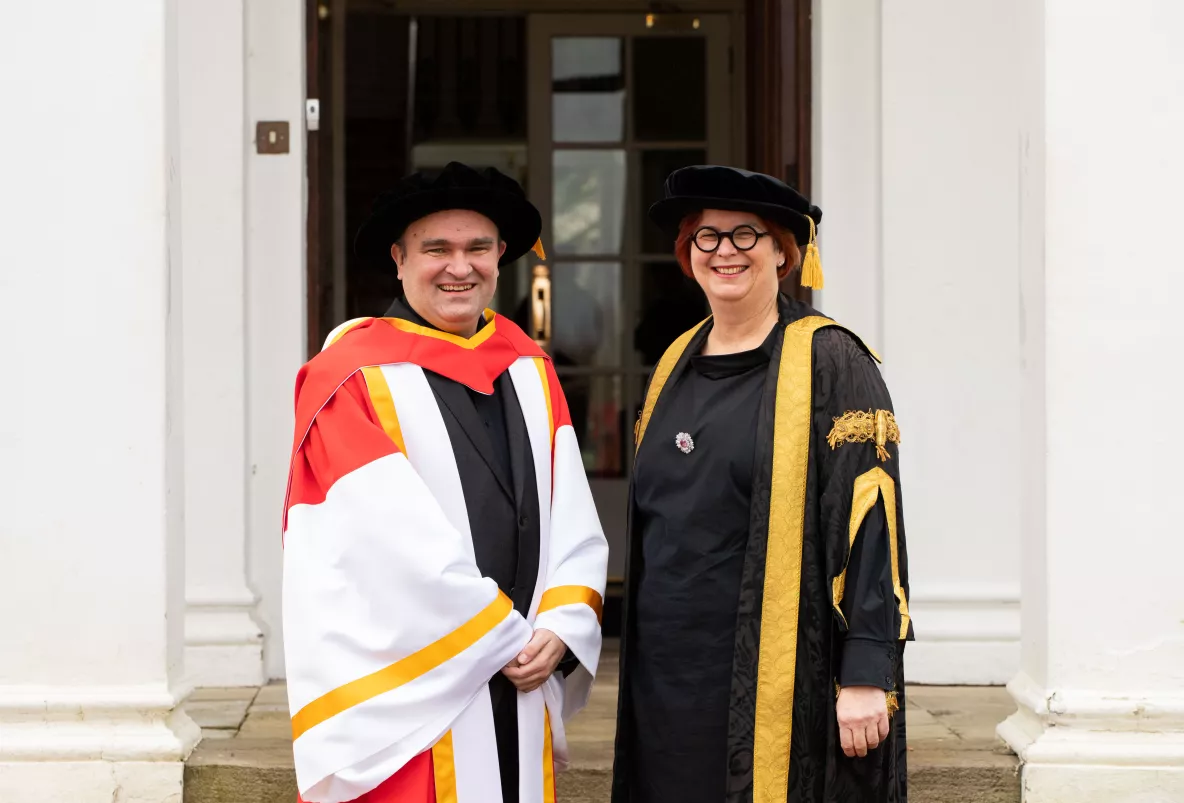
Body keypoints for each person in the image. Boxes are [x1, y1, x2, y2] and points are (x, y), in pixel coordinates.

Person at [283, 162, 609, 803]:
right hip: (416, 689)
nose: (460, 267)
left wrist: (563, 624)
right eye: (437, 249)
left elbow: (571, 509)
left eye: (477, 249)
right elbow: (383, 544)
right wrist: (506, 635)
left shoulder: (527, 366)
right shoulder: (347, 378)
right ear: (399, 259)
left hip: (516, 673)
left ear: (500, 257)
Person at [611, 165, 913, 803]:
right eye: (707, 236)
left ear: (784, 252)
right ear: (687, 254)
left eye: (747, 235)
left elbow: (871, 518)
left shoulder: (832, 360)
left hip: (779, 664)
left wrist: (865, 670)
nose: (725, 251)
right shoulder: (675, 361)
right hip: (666, 670)